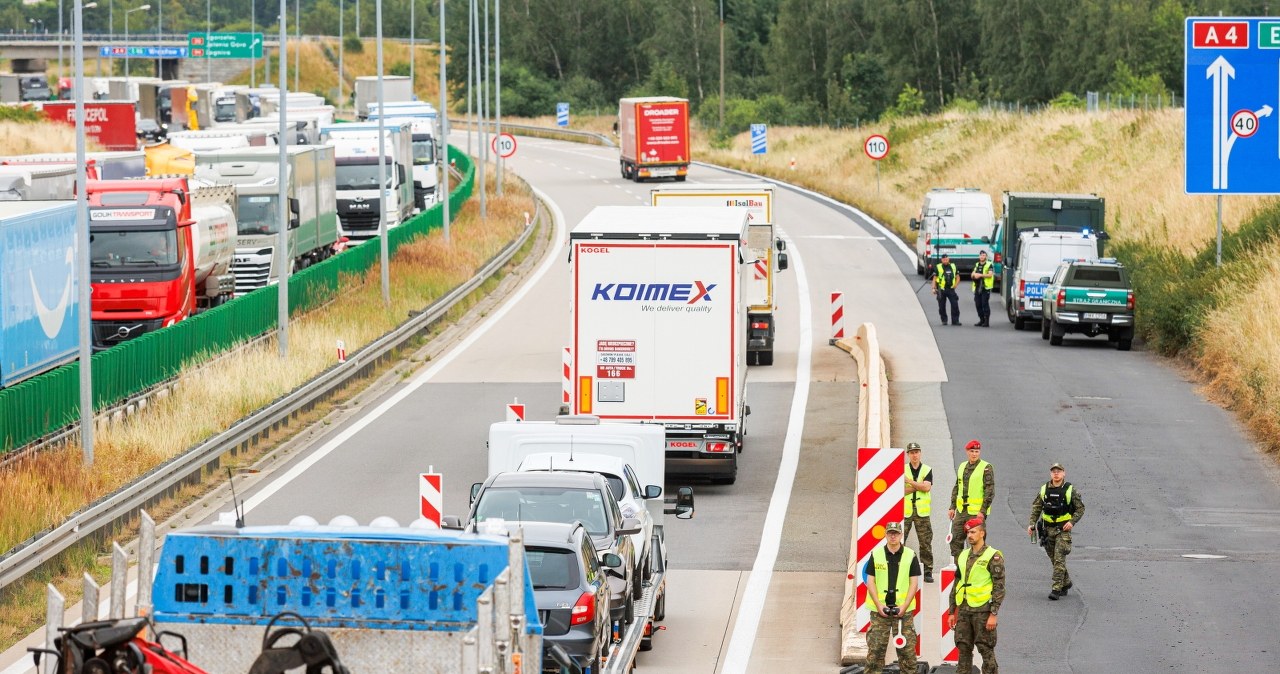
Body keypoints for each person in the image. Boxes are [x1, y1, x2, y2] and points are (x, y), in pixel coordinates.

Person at [862, 522, 920, 674]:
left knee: (907, 654)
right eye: (890, 533)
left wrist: (905, 606)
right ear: (886, 535)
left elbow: (914, 583)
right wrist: (879, 605)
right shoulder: (876, 554)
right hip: (880, 611)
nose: (893, 536)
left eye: (896, 533)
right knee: (875, 653)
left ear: (901, 535)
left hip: (903, 612)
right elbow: (870, 582)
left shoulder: (910, 555)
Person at [949, 518, 1004, 674]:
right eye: (968, 532)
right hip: (964, 610)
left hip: (983, 610)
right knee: (963, 648)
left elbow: (999, 587)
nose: (969, 535)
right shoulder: (963, 555)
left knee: (985, 649)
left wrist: (993, 614)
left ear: (982, 533)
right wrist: (951, 611)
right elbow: (957, 585)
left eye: (973, 532)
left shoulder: (993, 556)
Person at [1027, 462, 1085, 600]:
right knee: (1054, 559)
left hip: (1062, 531)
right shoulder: (1044, 489)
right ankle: (1066, 582)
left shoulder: (1070, 490)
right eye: (1054, 471)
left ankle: (1056, 588)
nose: (1056, 473)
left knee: (1059, 559)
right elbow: (1036, 507)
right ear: (1050, 473)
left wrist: (1071, 522)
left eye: (1059, 471)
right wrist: (1031, 524)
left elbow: (1080, 508)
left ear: (1064, 473)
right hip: (1047, 531)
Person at [948, 439, 994, 560]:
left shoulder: (986, 468)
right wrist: (952, 507)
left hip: (976, 513)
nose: (974, 454)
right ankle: (960, 568)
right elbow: (957, 487)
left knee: (977, 542)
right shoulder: (962, 466)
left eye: (977, 451)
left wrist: (982, 512)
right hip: (961, 511)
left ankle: (976, 568)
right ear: (967, 452)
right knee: (955, 541)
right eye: (972, 451)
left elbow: (989, 491)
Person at [903, 442, 934, 583]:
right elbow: (900, 490)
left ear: (920, 453)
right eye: (912, 452)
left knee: (925, 542)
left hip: (922, 512)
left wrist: (910, 482)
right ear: (908, 454)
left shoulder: (927, 469)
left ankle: (927, 571)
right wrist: (919, 486)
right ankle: (900, 568)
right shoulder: (902, 469)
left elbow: (927, 488)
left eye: (917, 452)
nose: (914, 455)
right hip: (906, 511)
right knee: (899, 540)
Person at [932, 252, 961, 326]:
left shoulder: (953, 266)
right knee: (941, 306)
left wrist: (955, 285)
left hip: (951, 289)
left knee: (955, 305)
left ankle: (955, 321)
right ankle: (944, 320)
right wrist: (933, 288)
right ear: (941, 260)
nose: (945, 260)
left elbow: (958, 277)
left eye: (946, 259)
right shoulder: (938, 267)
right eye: (944, 259)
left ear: (949, 259)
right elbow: (934, 278)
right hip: (941, 289)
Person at [970, 250, 995, 327]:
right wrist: (974, 275)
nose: (982, 256)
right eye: (981, 255)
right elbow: (972, 274)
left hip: (985, 287)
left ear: (986, 257)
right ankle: (981, 320)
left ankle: (986, 321)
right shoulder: (977, 264)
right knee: (978, 304)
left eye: (984, 255)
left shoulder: (989, 264)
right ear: (979, 256)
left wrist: (980, 275)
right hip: (977, 287)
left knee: (984, 304)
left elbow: (990, 275)